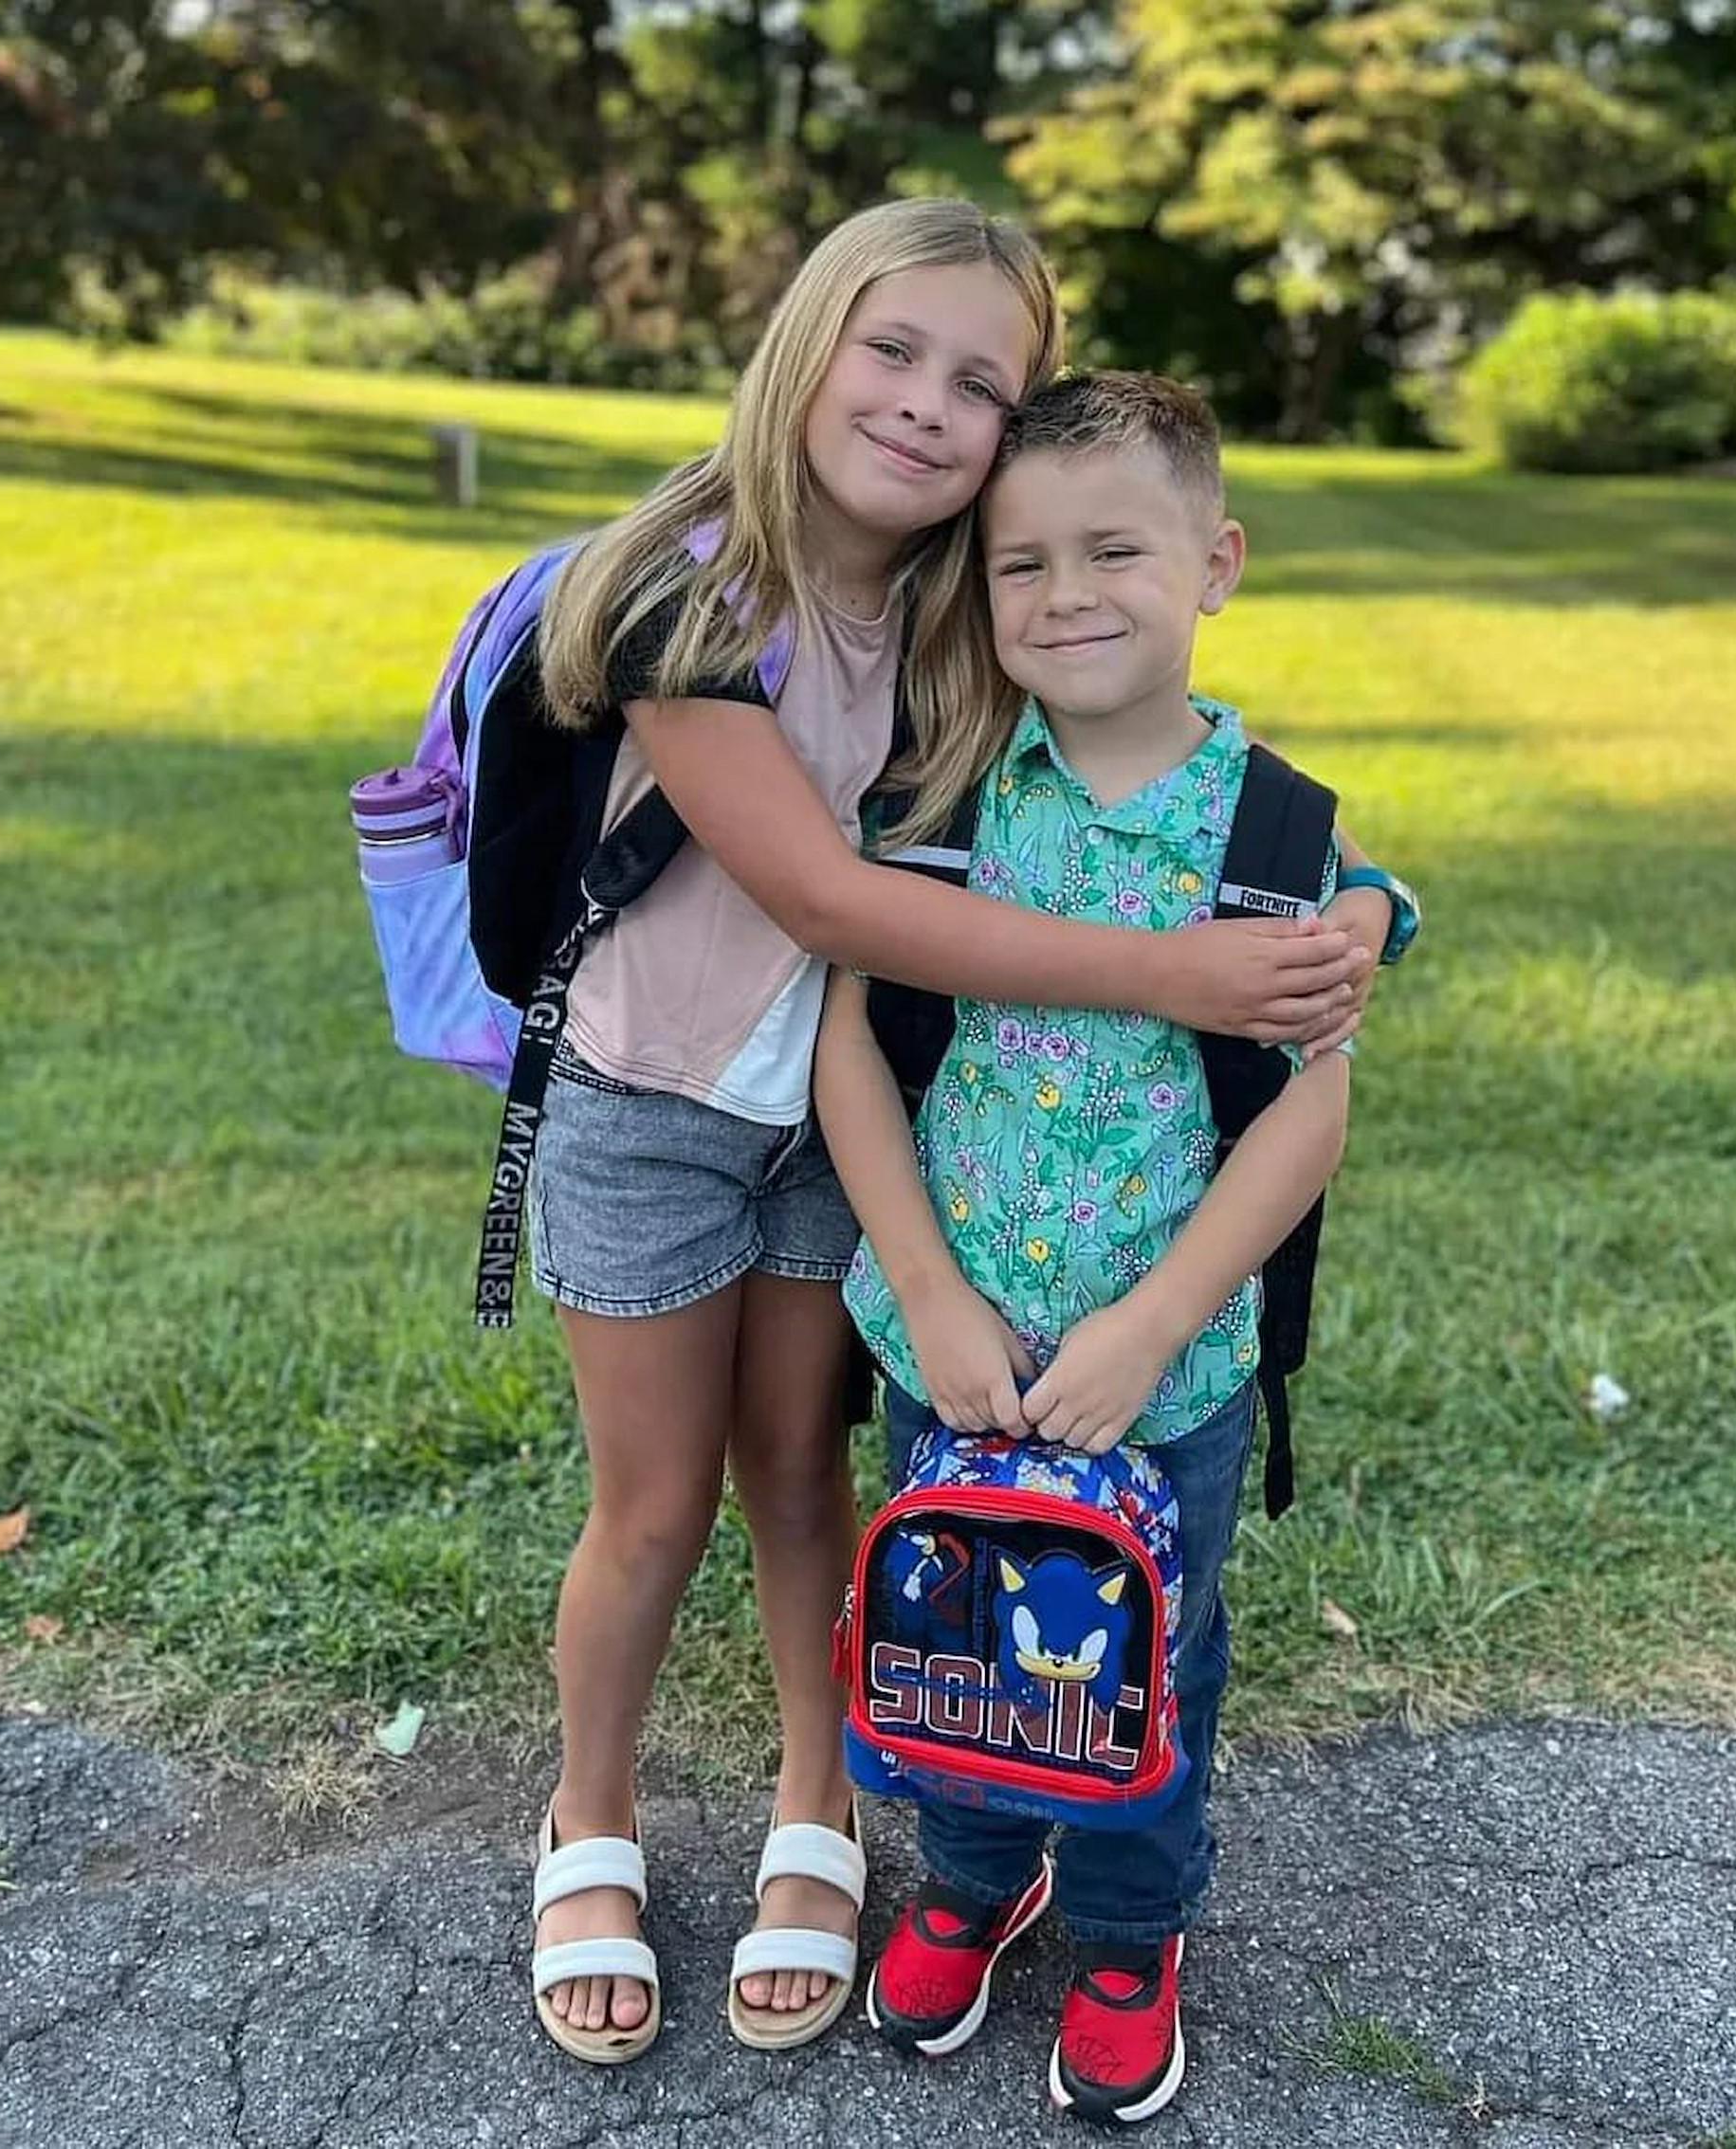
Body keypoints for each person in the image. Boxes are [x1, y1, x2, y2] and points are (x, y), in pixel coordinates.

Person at [525, 201, 1394, 2067]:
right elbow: (845, 919)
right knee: (660, 1501)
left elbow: (1195, 803)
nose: (929, 404)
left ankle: (847, 1821)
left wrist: (1357, 918)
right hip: (668, 1108)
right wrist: (1183, 977)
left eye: (979, 379)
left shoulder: (959, 612)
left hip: (923, 1188)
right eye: (892, 349)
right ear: (805, 339)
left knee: (824, 1495)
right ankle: (591, 1820)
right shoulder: (702, 593)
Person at [813, 370, 1360, 2123]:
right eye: (1019, 563)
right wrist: (925, 1289)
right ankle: (975, 1881)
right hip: (950, 1345)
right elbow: (851, 1043)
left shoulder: (1280, 838)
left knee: (1146, 1649)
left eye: (1113, 549)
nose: (1062, 596)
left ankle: (1130, 1927)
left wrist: (1154, 1328)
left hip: (1166, 1367)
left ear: (1216, 562)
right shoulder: (951, 804)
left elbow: (1310, 1105)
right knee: (949, 1618)